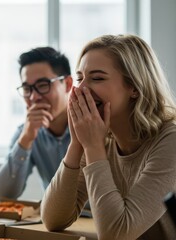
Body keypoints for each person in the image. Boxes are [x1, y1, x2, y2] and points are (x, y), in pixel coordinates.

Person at [41, 34, 176, 239]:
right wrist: (76, 144)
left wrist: (93, 147)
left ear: (134, 88)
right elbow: (53, 219)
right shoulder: (100, 136)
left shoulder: (170, 141)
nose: (81, 88)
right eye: (79, 78)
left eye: (97, 78)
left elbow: (116, 235)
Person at [0, 47, 72, 199]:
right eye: (27, 89)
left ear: (67, 84)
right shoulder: (27, 131)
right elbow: (4, 195)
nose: (34, 97)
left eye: (43, 85)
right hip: (55, 221)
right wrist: (26, 139)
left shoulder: (94, 124)